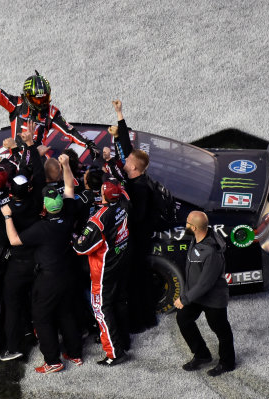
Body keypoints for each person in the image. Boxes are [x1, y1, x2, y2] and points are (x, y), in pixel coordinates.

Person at [1, 154, 83, 374]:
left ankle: (53, 361)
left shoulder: (41, 228)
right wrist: (66, 165)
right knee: (66, 312)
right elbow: (69, 186)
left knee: (42, 317)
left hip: (49, 278)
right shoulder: (68, 212)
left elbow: (14, 241)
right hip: (68, 272)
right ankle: (75, 353)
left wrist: (8, 217)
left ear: (44, 208)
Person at [0, 57, 99, 159]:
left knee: (53, 168)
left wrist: (89, 144)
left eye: (44, 98)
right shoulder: (16, 105)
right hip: (16, 158)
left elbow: (70, 131)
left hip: (39, 158)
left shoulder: (51, 112)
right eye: (38, 99)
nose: (42, 103)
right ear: (28, 96)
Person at [109, 99, 158, 332]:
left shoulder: (138, 188)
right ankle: (146, 318)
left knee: (137, 281)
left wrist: (122, 204)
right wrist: (119, 114)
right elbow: (128, 149)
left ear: (135, 169)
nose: (124, 161)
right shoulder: (138, 176)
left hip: (138, 241)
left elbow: (137, 217)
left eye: (127, 162)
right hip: (140, 238)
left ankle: (141, 321)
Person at [73, 179, 132, 366]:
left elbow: (81, 248)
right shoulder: (124, 203)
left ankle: (114, 352)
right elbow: (122, 193)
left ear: (104, 195)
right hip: (120, 263)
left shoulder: (97, 220)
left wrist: (73, 237)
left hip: (103, 271)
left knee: (101, 310)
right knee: (117, 302)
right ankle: (124, 341)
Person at [174, 211, 236, 377]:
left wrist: (185, 298)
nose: (185, 225)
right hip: (197, 295)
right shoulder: (197, 238)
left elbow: (205, 283)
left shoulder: (212, 252)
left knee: (221, 330)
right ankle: (202, 354)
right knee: (183, 318)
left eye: (187, 223)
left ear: (194, 227)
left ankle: (227, 362)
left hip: (213, 299)